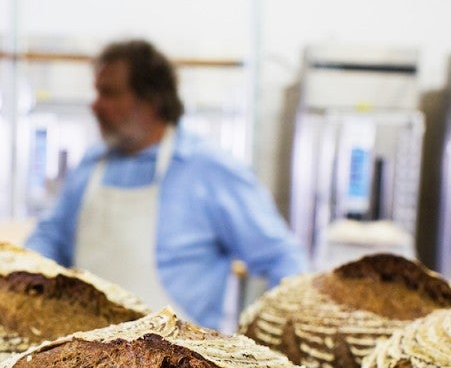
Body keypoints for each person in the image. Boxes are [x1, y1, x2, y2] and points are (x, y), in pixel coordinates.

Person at [25, 38, 308, 330]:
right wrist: (22, 273)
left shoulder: (208, 169)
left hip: (180, 367)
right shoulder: (91, 165)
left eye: (109, 93)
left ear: (151, 100)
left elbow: (282, 258)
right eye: (97, 93)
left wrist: (280, 337)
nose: (95, 106)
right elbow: (51, 236)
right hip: (82, 357)